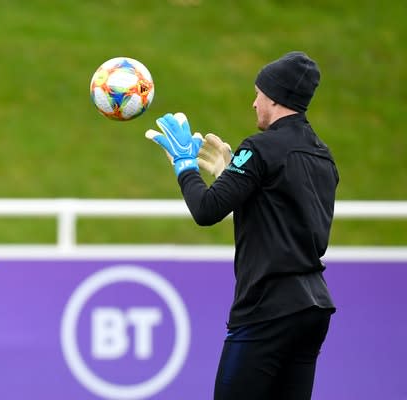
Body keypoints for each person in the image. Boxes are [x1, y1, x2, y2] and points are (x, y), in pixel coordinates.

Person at [145, 51, 338, 399]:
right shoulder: (322, 155)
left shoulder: (260, 148)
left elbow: (206, 210)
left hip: (268, 307)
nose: (253, 103)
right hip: (314, 307)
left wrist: (184, 165)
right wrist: (236, 179)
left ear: (275, 98)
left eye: (258, 94)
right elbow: (284, 216)